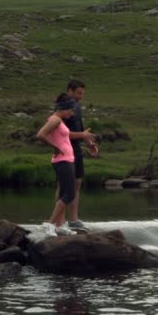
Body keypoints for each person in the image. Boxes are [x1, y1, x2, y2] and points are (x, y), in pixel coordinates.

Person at [36, 93, 78, 233]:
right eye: (71, 110)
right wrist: (54, 147)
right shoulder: (56, 120)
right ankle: (51, 224)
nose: (72, 113)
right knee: (70, 194)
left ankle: (59, 225)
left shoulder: (57, 120)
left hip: (66, 160)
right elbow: (40, 134)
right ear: (64, 108)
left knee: (63, 194)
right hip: (63, 160)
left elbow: (63, 140)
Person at [62, 79, 98, 229]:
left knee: (77, 183)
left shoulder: (77, 107)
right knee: (63, 185)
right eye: (78, 93)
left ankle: (73, 219)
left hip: (76, 149)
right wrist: (82, 135)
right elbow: (61, 134)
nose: (81, 96)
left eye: (82, 93)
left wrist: (89, 143)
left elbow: (82, 130)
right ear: (70, 90)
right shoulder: (62, 108)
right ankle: (60, 220)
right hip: (64, 149)